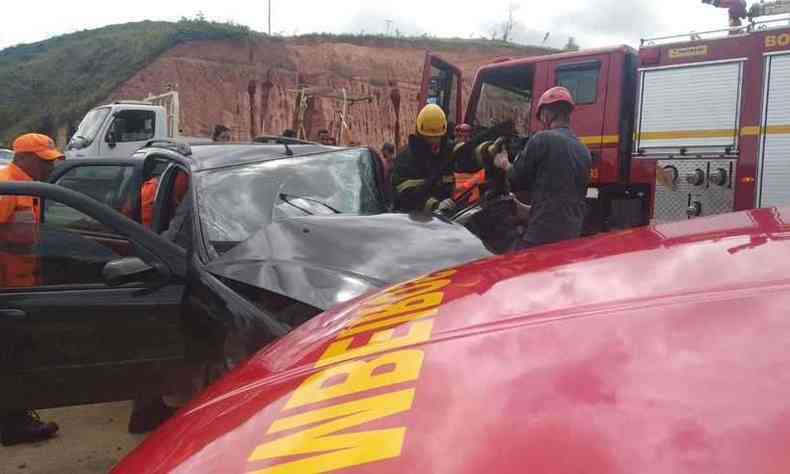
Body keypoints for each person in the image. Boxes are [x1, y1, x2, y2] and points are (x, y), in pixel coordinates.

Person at [0, 133, 62, 446]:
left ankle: (14, 418)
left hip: (22, 290)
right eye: (45, 161)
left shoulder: (28, 188)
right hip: (7, 294)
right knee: (10, 360)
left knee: (15, 356)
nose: (50, 168)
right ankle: (13, 424)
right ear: (23, 158)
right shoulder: (8, 188)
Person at [492, 86, 591, 249]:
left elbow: (517, 178)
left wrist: (504, 163)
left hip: (541, 235)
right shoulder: (583, 150)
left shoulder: (542, 139)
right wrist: (526, 209)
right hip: (572, 234)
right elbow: (563, 199)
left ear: (547, 113)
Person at [391, 104, 457, 214]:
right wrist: (434, 205)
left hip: (442, 220)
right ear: (420, 134)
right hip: (410, 221)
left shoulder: (446, 153)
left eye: (437, 137)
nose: (434, 141)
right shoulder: (405, 158)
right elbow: (406, 196)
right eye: (429, 137)